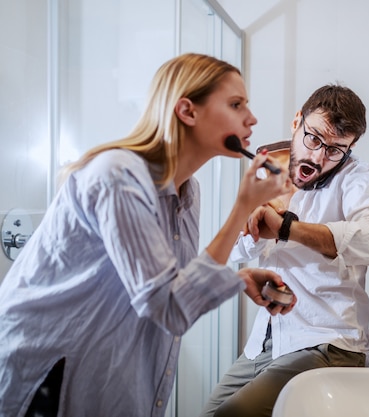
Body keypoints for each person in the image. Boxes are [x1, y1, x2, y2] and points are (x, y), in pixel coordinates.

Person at [0, 53, 296, 417]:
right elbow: (168, 307)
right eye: (236, 105)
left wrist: (239, 278)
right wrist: (241, 208)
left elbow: (177, 288)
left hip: (105, 375)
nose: (252, 118)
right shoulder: (119, 176)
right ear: (187, 111)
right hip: (50, 374)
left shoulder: (188, 192)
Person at [201, 84, 369, 417]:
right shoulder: (270, 167)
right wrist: (256, 225)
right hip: (268, 340)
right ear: (297, 121)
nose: (320, 156)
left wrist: (286, 228)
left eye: (337, 149)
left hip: (326, 342)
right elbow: (236, 252)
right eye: (314, 138)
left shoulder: (356, 179)